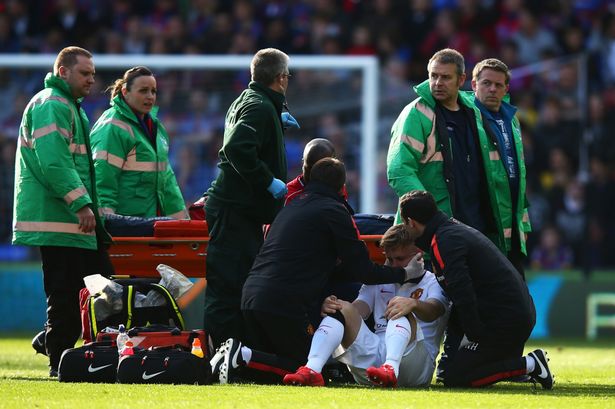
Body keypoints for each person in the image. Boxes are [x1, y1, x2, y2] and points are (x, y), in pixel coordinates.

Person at [209, 158, 421, 385]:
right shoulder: (334, 211)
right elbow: (363, 270)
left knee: (272, 371)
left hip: (251, 295)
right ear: (342, 187)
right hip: (283, 302)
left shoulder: (290, 207)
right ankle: (242, 355)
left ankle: (242, 358)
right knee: (311, 366)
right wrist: (404, 274)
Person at [12, 46, 114, 377]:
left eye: (93, 73)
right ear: (62, 72)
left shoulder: (68, 107)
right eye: (84, 73)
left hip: (72, 220)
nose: (91, 79)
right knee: (68, 293)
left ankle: (55, 344)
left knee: (95, 287)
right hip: (60, 219)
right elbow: (54, 161)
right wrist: (81, 203)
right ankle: (60, 362)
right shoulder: (52, 104)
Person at [386, 48, 529, 277]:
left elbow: (501, 175)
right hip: (432, 237)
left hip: (476, 233)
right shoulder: (416, 113)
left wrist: (518, 222)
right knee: (431, 308)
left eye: (445, 77)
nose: (437, 83)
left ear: (461, 79)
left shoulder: (476, 112)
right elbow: (398, 169)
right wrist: (427, 217)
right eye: (433, 76)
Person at [398, 190, 554, 390]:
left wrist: (476, 335)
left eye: (404, 223)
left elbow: (463, 293)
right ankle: (513, 363)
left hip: (505, 321)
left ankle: (530, 365)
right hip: (512, 315)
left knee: (457, 378)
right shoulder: (451, 231)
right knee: (454, 370)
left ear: (411, 222)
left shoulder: (444, 241)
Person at [203, 48, 297, 348]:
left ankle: (234, 352)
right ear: (281, 78)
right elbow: (236, 148)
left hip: (240, 210)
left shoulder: (252, 101)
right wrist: (267, 181)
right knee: (229, 286)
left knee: (236, 283)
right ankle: (222, 354)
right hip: (236, 209)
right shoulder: (258, 106)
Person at [283, 224, 450, 388]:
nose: (392, 265)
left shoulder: (433, 281)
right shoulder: (381, 279)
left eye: (399, 259)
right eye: (389, 258)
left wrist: (413, 304)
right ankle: (312, 369)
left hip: (416, 367)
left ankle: (391, 367)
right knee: (340, 309)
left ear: (419, 255)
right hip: (375, 364)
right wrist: (335, 307)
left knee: (401, 306)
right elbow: (358, 309)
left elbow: (435, 310)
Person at [90, 66, 188, 219]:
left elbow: (167, 183)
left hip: (149, 228)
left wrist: (182, 222)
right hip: (127, 230)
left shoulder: (156, 128)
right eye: (143, 91)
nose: (150, 96)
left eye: (153, 91)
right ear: (125, 92)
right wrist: (107, 222)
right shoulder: (113, 126)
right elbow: (102, 178)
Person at [471, 58, 531, 277]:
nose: (492, 89)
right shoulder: (468, 117)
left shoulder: (512, 119)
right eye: (486, 83)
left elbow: (517, 169)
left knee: (517, 297)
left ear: (506, 88)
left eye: (498, 85)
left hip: (511, 222)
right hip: (482, 222)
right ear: (473, 85)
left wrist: (523, 219)